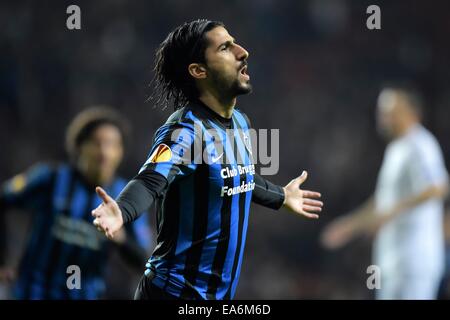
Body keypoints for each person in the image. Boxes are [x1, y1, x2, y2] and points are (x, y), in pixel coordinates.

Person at [91, 19, 324, 300]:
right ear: (198, 70)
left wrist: (281, 196)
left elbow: (239, 177)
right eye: (225, 47)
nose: (243, 51)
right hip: (172, 294)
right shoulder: (185, 132)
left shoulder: (239, 122)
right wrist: (122, 210)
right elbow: (150, 179)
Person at [0, 107, 151, 299]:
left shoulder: (126, 197)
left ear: (120, 152)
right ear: (80, 146)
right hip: (31, 293)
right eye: (97, 143)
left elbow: (144, 261)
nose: (104, 152)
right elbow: (3, 199)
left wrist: (121, 240)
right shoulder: (51, 179)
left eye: (112, 144)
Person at [321, 86, 449, 299]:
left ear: (411, 112)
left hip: (414, 260)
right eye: (382, 111)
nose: (383, 117)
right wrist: (350, 226)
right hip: (393, 260)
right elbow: (384, 200)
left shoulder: (421, 144)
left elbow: (437, 187)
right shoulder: (397, 149)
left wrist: (391, 213)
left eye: (390, 111)